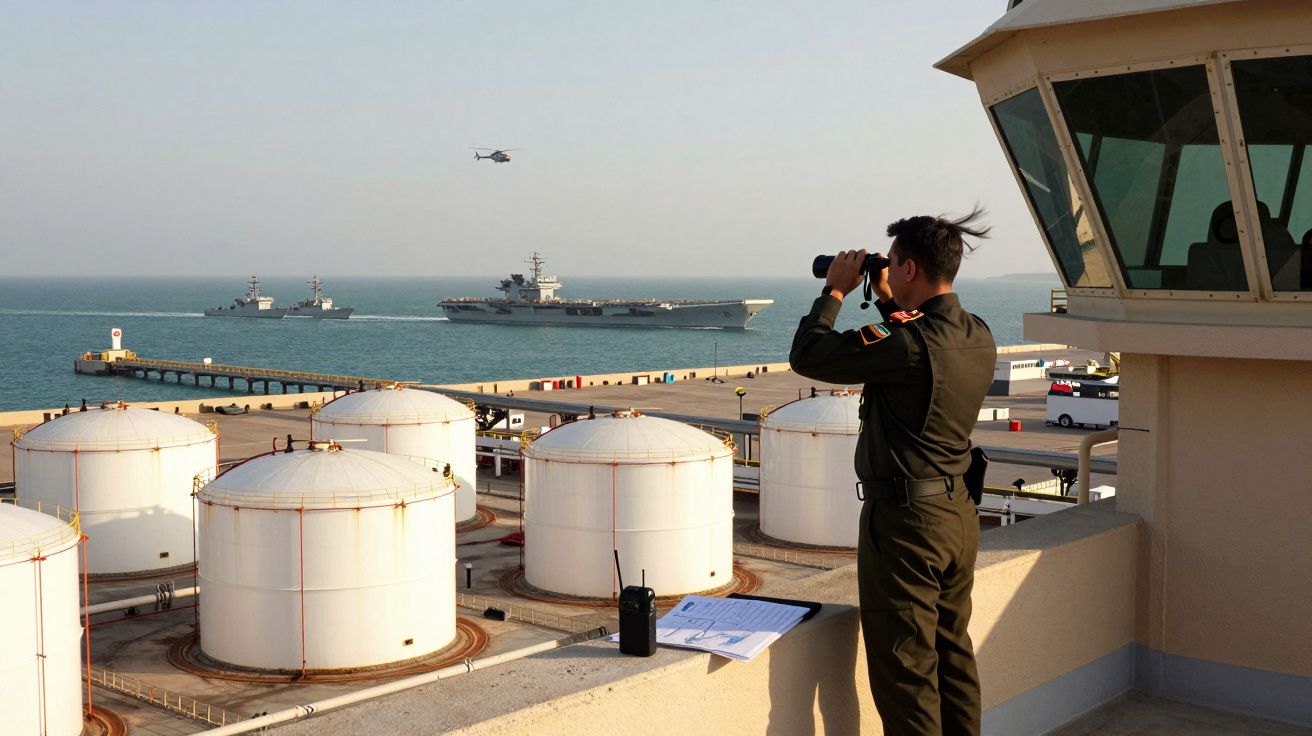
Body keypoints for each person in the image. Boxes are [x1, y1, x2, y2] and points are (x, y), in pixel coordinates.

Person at [789, 210, 997, 736]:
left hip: (907, 527)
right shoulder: (979, 334)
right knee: (953, 657)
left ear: (906, 268)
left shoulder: (905, 343)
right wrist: (886, 296)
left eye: (895, 266)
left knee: (906, 670)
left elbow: (809, 354)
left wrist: (835, 291)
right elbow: (911, 347)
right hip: (958, 516)